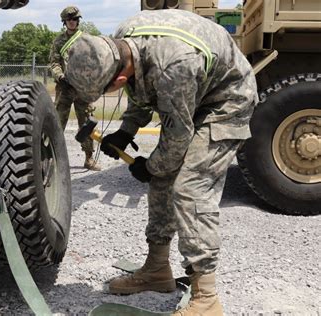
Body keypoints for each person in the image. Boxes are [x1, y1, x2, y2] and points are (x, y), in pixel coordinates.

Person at [64, 9, 258, 315]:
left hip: (225, 101)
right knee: (163, 177)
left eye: (106, 90)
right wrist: (125, 131)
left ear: (119, 77)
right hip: (193, 90)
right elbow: (143, 89)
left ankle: (207, 299)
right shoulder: (124, 41)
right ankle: (157, 270)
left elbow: (178, 137)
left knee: (190, 187)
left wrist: (150, 165)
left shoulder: (173, 68)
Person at [49, 6, 101, 171]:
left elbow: (94, 60)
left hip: (82, 88)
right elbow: (54, 62)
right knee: (57, 124)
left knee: (86, 123)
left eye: (75, 19)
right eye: (69, 19)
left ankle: (89, 158)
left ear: (78, 20)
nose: (72, 22)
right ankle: (52, 158)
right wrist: (60, 76)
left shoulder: (86, 39)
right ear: (64, 22)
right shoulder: (58, 41)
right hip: (64, 88)